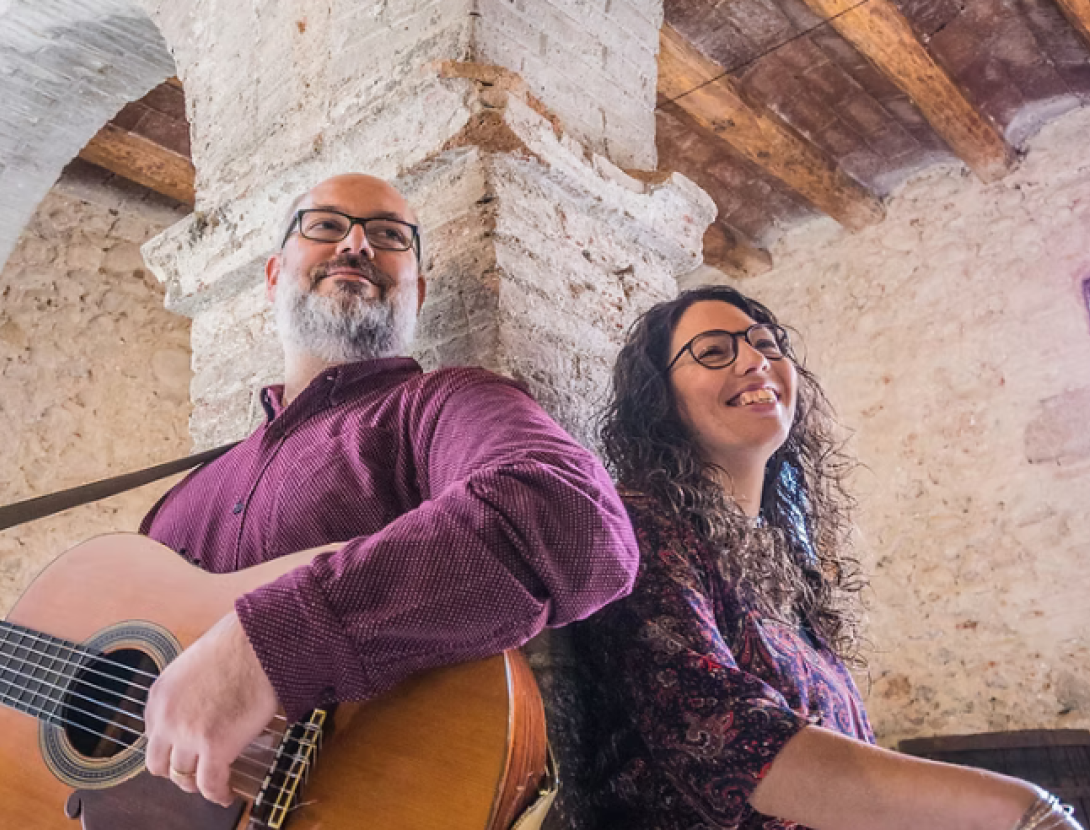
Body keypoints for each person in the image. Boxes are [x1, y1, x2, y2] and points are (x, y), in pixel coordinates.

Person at [138, 173, 639, 808]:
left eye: (388, 235)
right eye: (324, 226)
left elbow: (576, 522)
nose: (356, 244)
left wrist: (267, 648)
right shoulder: (182, 499)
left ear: (418, 291)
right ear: (272, 275)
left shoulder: (442, 404)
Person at [573, 285, 1081, 830]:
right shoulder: (641, 527)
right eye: (714, 352)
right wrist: (1024, 809)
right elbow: (726, 737)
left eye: (767, 345)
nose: (754, 360)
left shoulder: (783, 560)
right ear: (661, 400)